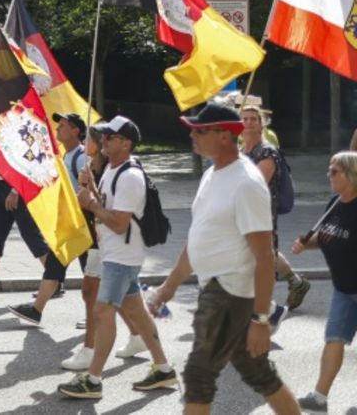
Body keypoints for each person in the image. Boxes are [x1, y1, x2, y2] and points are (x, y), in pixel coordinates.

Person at [146, 103, 300, 414]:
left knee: (198, 375)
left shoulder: (246, 183)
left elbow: (265, 255)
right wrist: (168, 287)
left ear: (225, 136)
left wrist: (260, 320)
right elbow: (198, 238)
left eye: (200, 131)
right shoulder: (211, 175)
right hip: (216, 288)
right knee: (260, 374)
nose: (193, 135)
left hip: (229, 292)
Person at [58, 115, 175, 400]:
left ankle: (94, 379)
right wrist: (90, 186)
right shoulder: (112, 168)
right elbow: (107, 204)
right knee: (136, 312)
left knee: (102, 312)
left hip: (122, 255)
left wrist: (92, 204)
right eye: (103, 136)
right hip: (115, 252)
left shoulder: (131, 176)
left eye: (109, 137)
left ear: (126, 143)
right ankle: (163, 368)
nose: (103, 141)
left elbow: (119, 222)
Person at [60, 124, 140, 371]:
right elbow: (97, 200)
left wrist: (90, 198)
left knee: (92, 293)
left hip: (110, 241)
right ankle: (145, 343)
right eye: (100, 137)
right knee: (125, 298)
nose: (90, 142)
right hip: (100, 238)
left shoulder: (118, 170)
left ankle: (90, 354)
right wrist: (88, 187)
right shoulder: (98, 168)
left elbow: (107, 209)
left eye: (93, 139)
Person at [7, 113, 86, 327]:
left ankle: (98, 315)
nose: (58, 129)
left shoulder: (81, 157)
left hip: (85, 225)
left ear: (76, 131)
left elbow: (88, 192)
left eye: (63, 126)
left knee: (91, 273)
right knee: (54, 265)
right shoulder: (64, 155)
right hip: (69, 225)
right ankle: (36, 310)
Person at [293, 151, 357, 411]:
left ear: (352, 175)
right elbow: (326, 236)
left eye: (334, 172)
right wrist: (306, 244)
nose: (328, 176)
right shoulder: (335, 203)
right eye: (329, 170)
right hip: (343, 289)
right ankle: (319, 397)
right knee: (334, 339)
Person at [239, 102, 311, 314]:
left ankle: (264, 314)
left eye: (254, 119)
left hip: (260, 218)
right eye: (245, 119)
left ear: (262, 125)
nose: (249, 122)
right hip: (242, 216)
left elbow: (256, 184)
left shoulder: (267, 152)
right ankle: (263, 307)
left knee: (262, 262)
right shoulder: (240, 151)